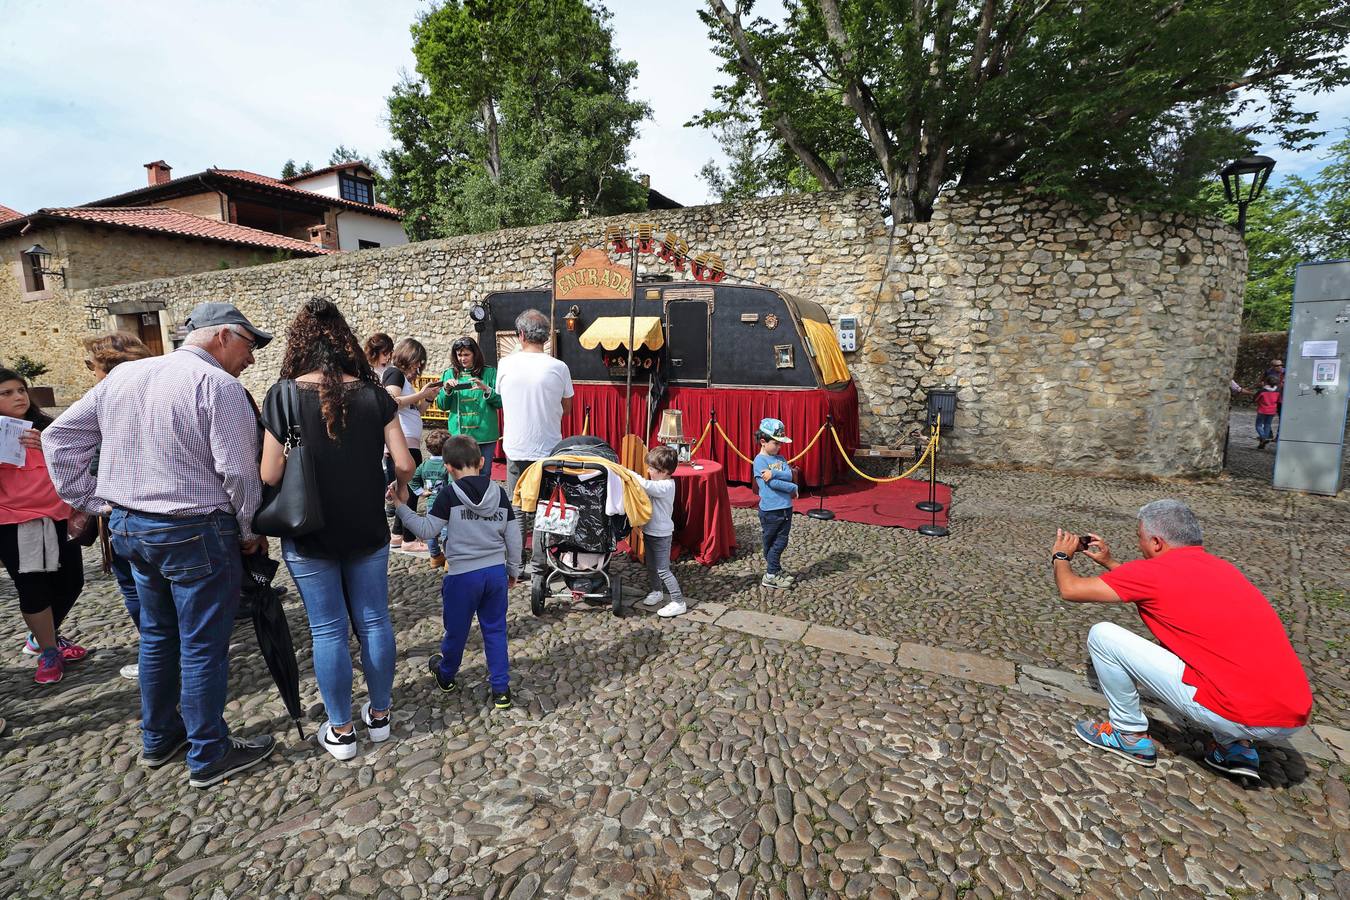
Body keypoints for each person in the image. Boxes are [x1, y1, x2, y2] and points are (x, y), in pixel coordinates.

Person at [43, 302, 277, 788]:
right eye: (251, 345)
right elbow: (236, 472)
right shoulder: (219, 386)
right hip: (194, 528)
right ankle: (209, 752)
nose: (252, 357)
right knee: (201, 644)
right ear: (225, 336)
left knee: (157, 635)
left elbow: (60, 437)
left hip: (133, 526)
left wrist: (97, 501)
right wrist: (251, 531)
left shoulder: (126, 376)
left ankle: (159, 736)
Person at [1050, 499, 1312, 782]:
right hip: (1291, 716)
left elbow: (1071, 589)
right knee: (1215, 650)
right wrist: (1109, 563)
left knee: (1103, 635)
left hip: (1238, 713)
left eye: (1140, 538)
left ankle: (1128, 733)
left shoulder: (1153, 573)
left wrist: (1061, 556)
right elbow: (1156, 586)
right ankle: (1235, 747)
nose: (1140, 545)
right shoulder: (1225, 570)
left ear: (1156, 542)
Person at [260, 299, 414, 762]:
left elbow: (269, 474)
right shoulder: (374, 395)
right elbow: (404, 463)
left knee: (327, 630)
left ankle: (342, 732)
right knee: (374, 620)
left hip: (311, 528)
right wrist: (398, 488)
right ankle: (381, 716)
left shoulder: (283, 395)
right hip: (366, 523)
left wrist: (295, 444)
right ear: (346, 342)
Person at [394, 434, 522, 710]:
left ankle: (447, 673)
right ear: (482, 461)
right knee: (496, 630)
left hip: (463, 576)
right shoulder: (499, 493)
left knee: (457, 630)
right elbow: (513, 534)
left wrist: (401, 509)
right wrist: (513, 569)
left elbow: (427, 530)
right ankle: (501, 689)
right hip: (495, 573)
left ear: (448, 468)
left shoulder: (449, 495)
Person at [0, 368, 88, 685]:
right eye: (6, 393)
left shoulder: (46, 426)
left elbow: (77, 462)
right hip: (17, 520)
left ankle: (42, 636)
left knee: (71, 582)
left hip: (59, 515)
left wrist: (48, 447)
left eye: (20, 389)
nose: (18, 396)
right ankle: (49, 650)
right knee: (35, 587)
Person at [81, 332, 155, 680]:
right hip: (171, 507)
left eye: (91, 366)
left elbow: (67, 447)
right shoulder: (164, 392)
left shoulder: (101, 398)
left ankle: (158, 655)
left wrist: (90, 500)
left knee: (137, 588)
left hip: (122, 510)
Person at [496, 309, 573, 566]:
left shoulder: (506, 364)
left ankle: (516, 561)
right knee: (544, 506)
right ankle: (540, 563)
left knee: (517, 507)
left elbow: (502, 397)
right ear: (545, 337)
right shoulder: (559, 367)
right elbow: (568, 407)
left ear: (520, 335)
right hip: (548, 447)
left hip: (516, 445)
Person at [382, 338, 442, 550]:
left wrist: (427, 398)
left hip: (408, 442)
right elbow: (391, 402)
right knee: (410, 491)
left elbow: (416, 412)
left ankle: (398, 534)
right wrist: (421, 394)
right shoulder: (394, 373)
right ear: (409, 357)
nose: (419, 367)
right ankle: (409, 539)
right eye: (418, 362)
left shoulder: (403, 380)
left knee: (404, 490)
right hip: (402, 443)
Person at [633, 446, 687, 617]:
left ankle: (679, 602)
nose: (648, 470)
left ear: (664, 471)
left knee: (663, 569)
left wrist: (628, 474)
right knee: (651, 565)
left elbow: (645, 486)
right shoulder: (659, 482)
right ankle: (657, 591)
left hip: (661, 534)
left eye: (651, 468)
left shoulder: (666, 485)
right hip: (650, 531)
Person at [434, 336, 502, 467]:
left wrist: (487, 389)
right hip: (459, 435)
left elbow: (500, 402)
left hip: (485, 435)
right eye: (459, 355)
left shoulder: (490, 372)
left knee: (483, 473)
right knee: (459, 472)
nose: (462, 358)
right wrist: (447, 390)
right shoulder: (449, 374)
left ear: (475, 354)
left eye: (466, 354)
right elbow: (442, 406)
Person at [753, 418, 798, 589]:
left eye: (781, 444)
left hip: (785, 508)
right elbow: (773, 484)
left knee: (781, 541)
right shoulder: (759, 461)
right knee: (773, 543)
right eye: (776, 443)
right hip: (771, 510)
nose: (779, 447)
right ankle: (771, 574)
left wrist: (774, 473)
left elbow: (788, 474)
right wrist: (793, 487)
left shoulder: (780, 458)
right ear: (763, 442)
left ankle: (774, 569)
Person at [411, 428, 451, 568]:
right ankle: (449, 560)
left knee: (431, 531)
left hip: (431, 502)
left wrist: (421, 492)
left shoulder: (425, 464)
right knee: (447, 531)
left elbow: (413, 479)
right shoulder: (447, 465)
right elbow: (452, 485)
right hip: (446, 504)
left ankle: (434, 556)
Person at [1255, 375, 1280, 449]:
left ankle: (1263, 437)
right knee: (1267, 425)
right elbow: (1278, 400)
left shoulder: (1262, 391)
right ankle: (1263, 441)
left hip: (1262, 410)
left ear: (1266, 382)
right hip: (1272, 410)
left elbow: (1256, 399)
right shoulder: (1278, 391)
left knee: (1258, 425)